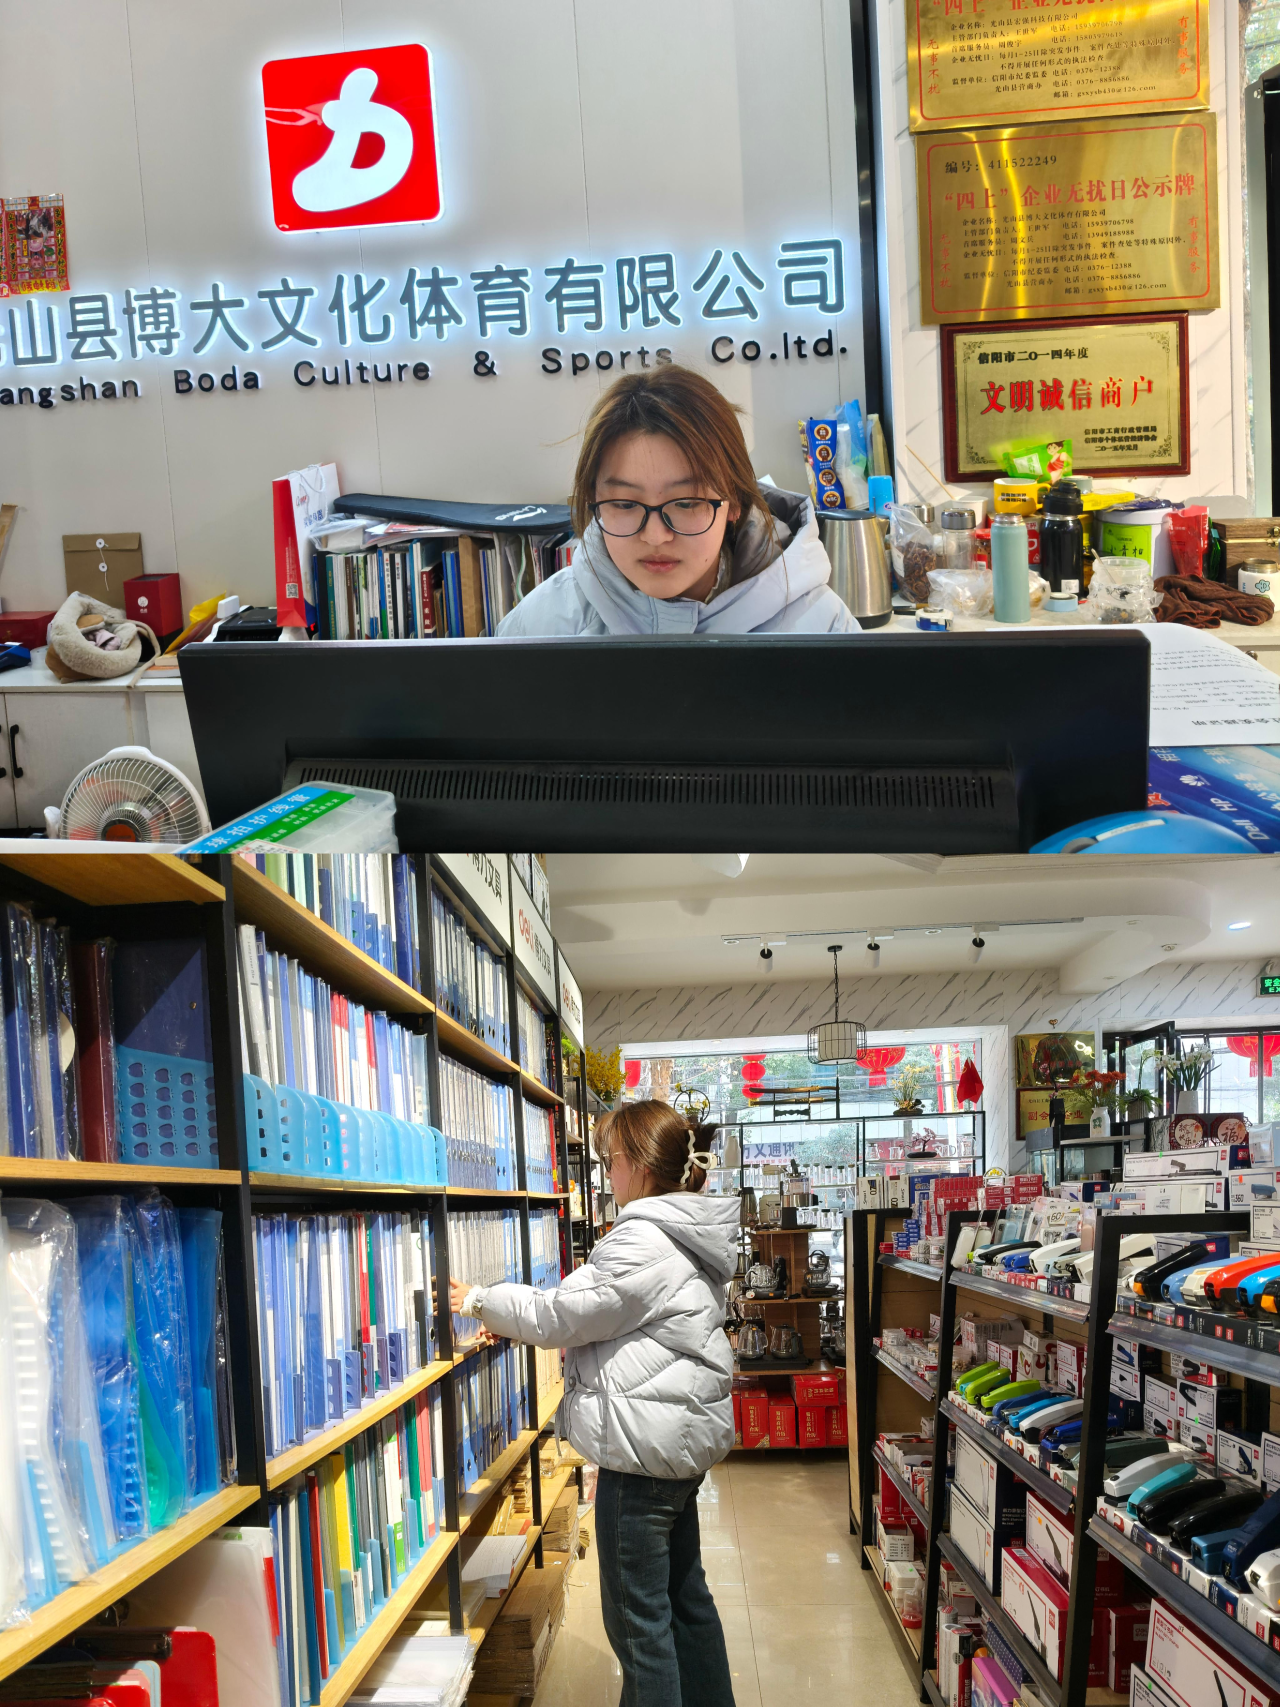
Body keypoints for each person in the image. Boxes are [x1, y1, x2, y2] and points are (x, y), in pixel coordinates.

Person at [448, 1098, 740, 1707]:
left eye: (611, 1162)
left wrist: (478, 1300)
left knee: (640, 1627)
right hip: (674, 1448)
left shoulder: (642, 1238)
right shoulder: (686, 1230)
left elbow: (561, 1314)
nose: (608, 1177)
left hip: (640, 1462)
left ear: (640, 1166)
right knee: (687, 1602)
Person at [496, 365, 859, 635]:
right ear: (594, 500)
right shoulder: (538, 628)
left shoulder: (824, 629)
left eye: (686, 503)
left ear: (733, 501)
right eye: (624, 504)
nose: (655, 536)